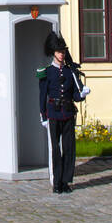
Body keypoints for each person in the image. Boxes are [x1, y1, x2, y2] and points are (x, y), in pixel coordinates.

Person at [37, 32, 88, 194]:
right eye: (59, 52)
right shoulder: (47, 72)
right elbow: (42, 96)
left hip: (67, 113)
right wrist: (43, 116)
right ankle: (57, 182)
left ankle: (66, 181)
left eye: (63, 52)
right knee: (55, 150)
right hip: (53, 114)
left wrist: (82, 95)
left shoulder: (69, 72)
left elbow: (74, 95)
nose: (62, 54)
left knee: (69, 148)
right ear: (54, 53)